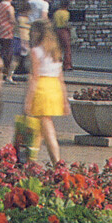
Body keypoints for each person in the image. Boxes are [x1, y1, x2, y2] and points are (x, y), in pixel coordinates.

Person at [24, 20, 65, 164]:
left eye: (32, 32)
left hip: (42, 89)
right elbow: (61, 79)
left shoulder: (36, 51)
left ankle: (57, 162)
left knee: (46, 129)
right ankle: (29, 160)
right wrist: (64, 101)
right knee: (40, 128)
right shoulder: (56, 51)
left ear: (37, 33)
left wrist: (28, 102)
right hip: (54, 89)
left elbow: (34, 79)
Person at [52, 1, 73, 71]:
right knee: (67, 49)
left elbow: (54, 23)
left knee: (58, 48)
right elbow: (65, 23)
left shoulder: (56, 13)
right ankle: (67, 65)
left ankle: (57, 64)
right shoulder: (66, 13)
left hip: (57, 30)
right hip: (64, 31)